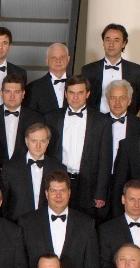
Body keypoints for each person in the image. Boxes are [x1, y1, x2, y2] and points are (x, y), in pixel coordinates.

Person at [21, 171, 100, 268]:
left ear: (69, 193)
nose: (58, 196)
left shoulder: (86, 223)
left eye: (62, 191)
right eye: (53, 191)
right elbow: (22, 265)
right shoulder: (27, 222)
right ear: (46, 194)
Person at [45, 75, 113, 215]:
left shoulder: (102, 121)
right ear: (66, 94)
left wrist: (100, 192)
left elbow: (105, 159)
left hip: (88, 185)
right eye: (71, 92)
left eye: (80, 93)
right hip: (58, 183)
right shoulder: (51, 118)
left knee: (84, 224)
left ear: (88, 94)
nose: (75, 97)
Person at [2, 123, 67, 222]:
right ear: (26, 141)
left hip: (48, 224)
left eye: (42, 141)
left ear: (48, 142)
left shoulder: (59, 168)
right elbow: (4, 202)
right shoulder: (10, 168)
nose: (38, 146)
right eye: (34, 141)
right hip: (17, 224)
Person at [81, 22, 140, 115]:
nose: (111, 44)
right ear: (103, 42)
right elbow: (85, 99)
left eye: (116, 40)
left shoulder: (137, 71)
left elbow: (137, 103)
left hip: (125, 121)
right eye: (108, 39)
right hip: (95, 121)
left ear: (124, 43)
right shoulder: (88, 70)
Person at [0, 73, 41, 174]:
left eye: (17, 92)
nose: (12, 96)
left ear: (23, 94)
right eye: (8, 91)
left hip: (24, 174)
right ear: (1, 93)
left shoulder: (36, 118)